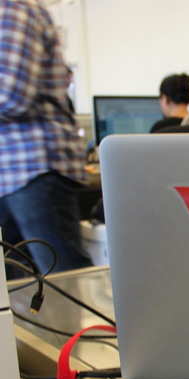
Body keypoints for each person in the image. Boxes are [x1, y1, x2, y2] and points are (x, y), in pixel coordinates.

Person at [0, 0, 91, 276]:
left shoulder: (12, 10)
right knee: (17, 287)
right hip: (11, 170)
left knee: (64, 279)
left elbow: (10, 94)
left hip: (33, 165)